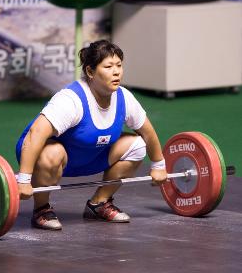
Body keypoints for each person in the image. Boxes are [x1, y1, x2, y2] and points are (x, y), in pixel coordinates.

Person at [15, 39, 167, 230]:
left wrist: (159, 165)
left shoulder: (124, 97)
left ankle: (99, 204)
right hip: (45, 157)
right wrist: (23, 179)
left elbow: (148, 132)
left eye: (119, 65)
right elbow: (35, 134)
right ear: (90, 71)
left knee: (137, 145)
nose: (116, 71)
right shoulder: (71, 100)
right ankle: (41, 209)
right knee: (53, 152)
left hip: (90, 155)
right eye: (108, 66)